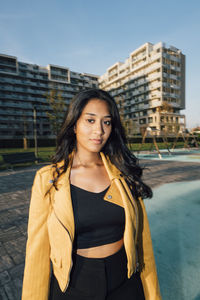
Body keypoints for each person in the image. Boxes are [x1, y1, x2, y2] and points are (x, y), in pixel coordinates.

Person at [22, 88, 161, 300]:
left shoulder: (122, 173)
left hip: (125, 281)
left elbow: (143, 242)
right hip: (74, 285)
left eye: (106, 122)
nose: (99, 130)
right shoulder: (48, 179)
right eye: (90, 120)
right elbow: (37, 253)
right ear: (74, 124)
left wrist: (152, 294)